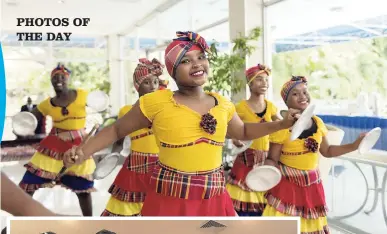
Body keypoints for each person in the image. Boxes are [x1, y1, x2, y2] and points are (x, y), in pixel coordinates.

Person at [64, 31, 299, 216]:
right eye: (186, 61)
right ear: (173, 73)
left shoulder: (223, 103)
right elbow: (116, 129)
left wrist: (280, 125)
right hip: (170, 197)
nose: (197, 64)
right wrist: (84, 152)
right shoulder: (156, 102)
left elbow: (244, 130)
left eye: (201, 57)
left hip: (213, 197)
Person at [262, 76, 366, 234]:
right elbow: (272, 159)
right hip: (287, 188)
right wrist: (265, 171)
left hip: (312, 187)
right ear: (286, 100)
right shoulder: (282, 127)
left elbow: (328, 151)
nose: (302, 96)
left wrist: (354, 145)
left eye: (304, 91)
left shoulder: (317, 123)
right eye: (295, 94)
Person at [18, 63, 96, 216]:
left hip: (79, 144)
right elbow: (29, 118)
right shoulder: (47, 104)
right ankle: (21, 218)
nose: (59, 80)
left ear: (68, 79)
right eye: (55, 77)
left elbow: (98, 103)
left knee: (83, 188)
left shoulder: (82, 95)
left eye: (62, 76)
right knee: (29, 182)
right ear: (51, 80)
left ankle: (90, 222)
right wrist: (21, 124)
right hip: (54, 144)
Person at [101, 58, 162, 216]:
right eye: (147, 82)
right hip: (134, 167)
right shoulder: (127, 111)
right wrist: (109, 159)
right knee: (123, 211)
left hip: (162, 166)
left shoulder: (166, 110)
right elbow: (118, 140)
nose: (153, 86)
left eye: (155, 81)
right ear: (137, 86)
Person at [226, 64, 279, 216]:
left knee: (262, 203)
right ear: (250, 83)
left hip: (266, 161)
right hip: (245, 159)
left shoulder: (271, 107)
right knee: (241, 205)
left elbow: (281, 128)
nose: (264, 83)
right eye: (259, 80)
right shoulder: (240, 107)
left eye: (266, 80)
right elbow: (229, 128)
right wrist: (236, 137)